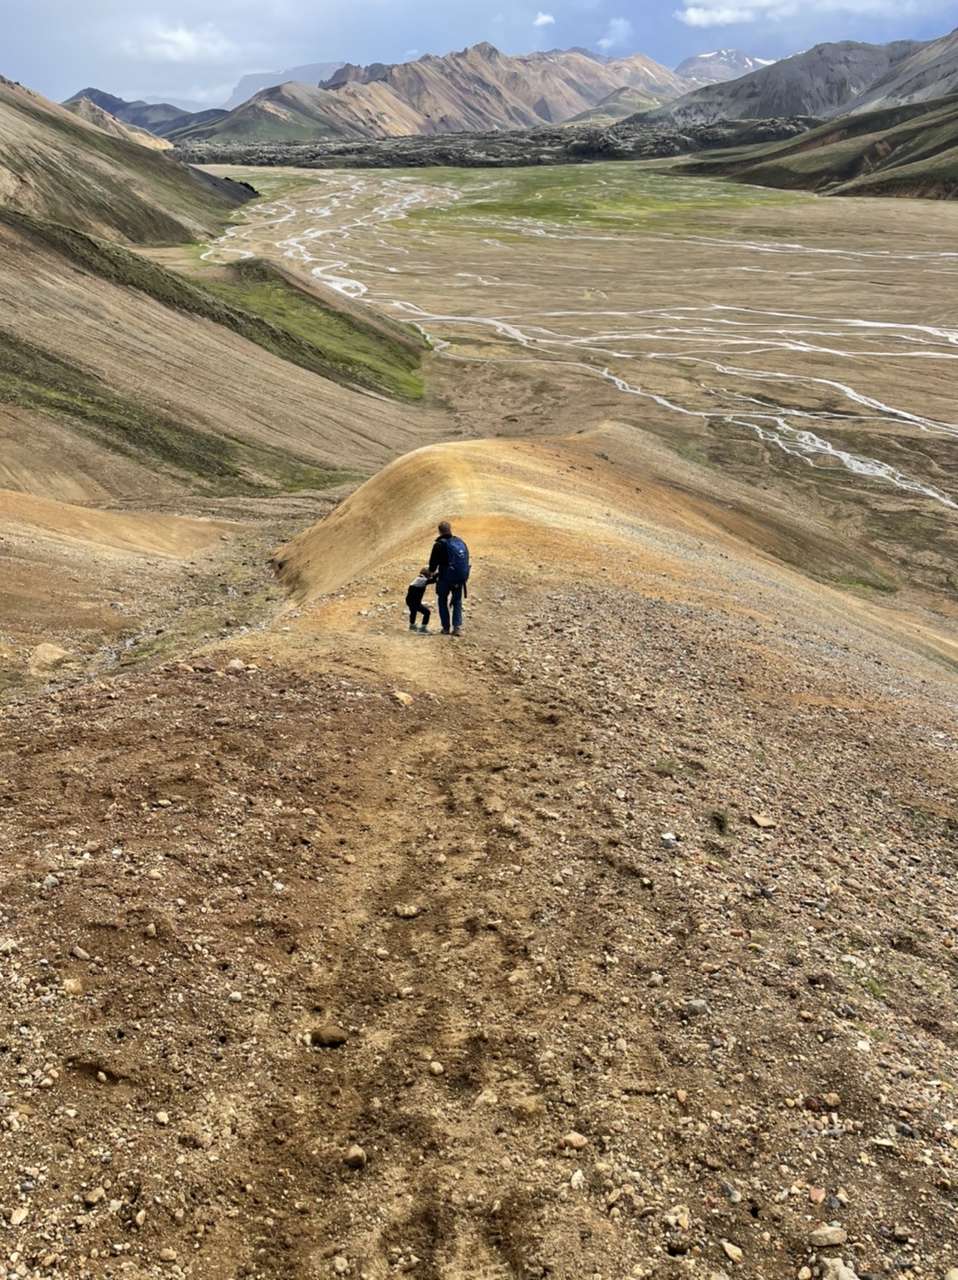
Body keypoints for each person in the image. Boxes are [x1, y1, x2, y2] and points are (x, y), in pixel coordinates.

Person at [428, 520, 470, 637]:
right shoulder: (459, 542)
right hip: (458, 578)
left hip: (444, 578)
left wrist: (430, 573)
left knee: (442, 600)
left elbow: (432, 565)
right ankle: (457, 628)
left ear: (439, 531)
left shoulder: (438, 545)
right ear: (450, 529)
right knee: (457, 601)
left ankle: (446, 628)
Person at [405, 567, 436, 633]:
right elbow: (433, 580)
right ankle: (423, 628)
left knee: (413, 611)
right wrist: (437, 574)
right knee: (427, 612)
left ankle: (412, 625)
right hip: (414, 601)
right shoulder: (422, 580)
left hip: (410, 600)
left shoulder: (418, 578)